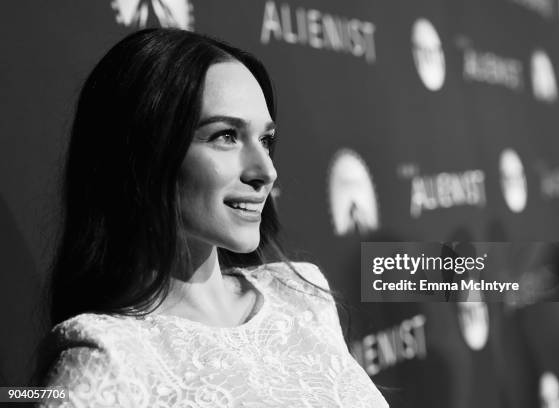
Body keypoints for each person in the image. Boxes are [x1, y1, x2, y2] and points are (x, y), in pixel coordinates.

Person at [36, 28, 389, 407]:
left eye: (266, 140)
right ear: (144, 152)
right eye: (225, 136)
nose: (266, 171)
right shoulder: (105, 361)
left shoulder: (302, 295)